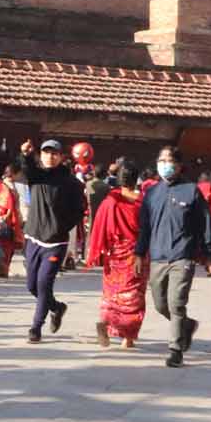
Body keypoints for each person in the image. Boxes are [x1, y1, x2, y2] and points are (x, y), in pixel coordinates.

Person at [136, 145, 211, 367]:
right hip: (157, 256)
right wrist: (139, 253)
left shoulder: (191, 191)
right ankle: (186, 325)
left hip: (182, 256)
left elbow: (205, 223)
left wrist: (208, 254)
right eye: (161, 161)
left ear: (179, 166)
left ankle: (175, 350)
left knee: (176, 303)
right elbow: (145, 227)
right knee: (161, 305)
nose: (165, 165)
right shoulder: (152, 193)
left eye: (169, 161)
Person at [18, 140, 83, 343]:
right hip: (33, 237)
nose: (50, 157)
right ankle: (57, 307)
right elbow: (27, 168)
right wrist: (26, 155)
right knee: (32, 286)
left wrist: (60, 227)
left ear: (61, 156)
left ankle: (36, 327)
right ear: (41, 155)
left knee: (43, 284)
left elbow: (78, 211)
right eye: (46, 153)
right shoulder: (36, 176)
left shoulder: (71, 183)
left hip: (55, 243)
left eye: (54, 153)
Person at [87, 158, 147, 350]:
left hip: (114, 254)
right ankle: (127, 338)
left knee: (112, 293)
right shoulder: (142, 202)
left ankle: (106, 320)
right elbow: (148, 229)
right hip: (136, 254)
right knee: (133, 296)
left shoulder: (110, 200)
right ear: (136, 179)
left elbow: (100, 226)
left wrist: (97, 251)